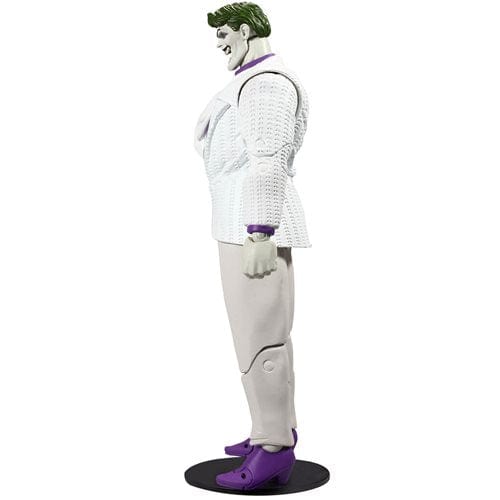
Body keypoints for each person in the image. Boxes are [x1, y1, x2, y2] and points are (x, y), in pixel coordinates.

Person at [194, 2, 310, 490]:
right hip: (237, 225)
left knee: (262, 340)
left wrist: (261, 230)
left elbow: (268, 158)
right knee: (255, 335)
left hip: (254, 231)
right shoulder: (250, 79)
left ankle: (273, 449)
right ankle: (272, 428)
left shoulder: (267, 84)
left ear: (245, 30)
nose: (220, 42)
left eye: (224, 33)